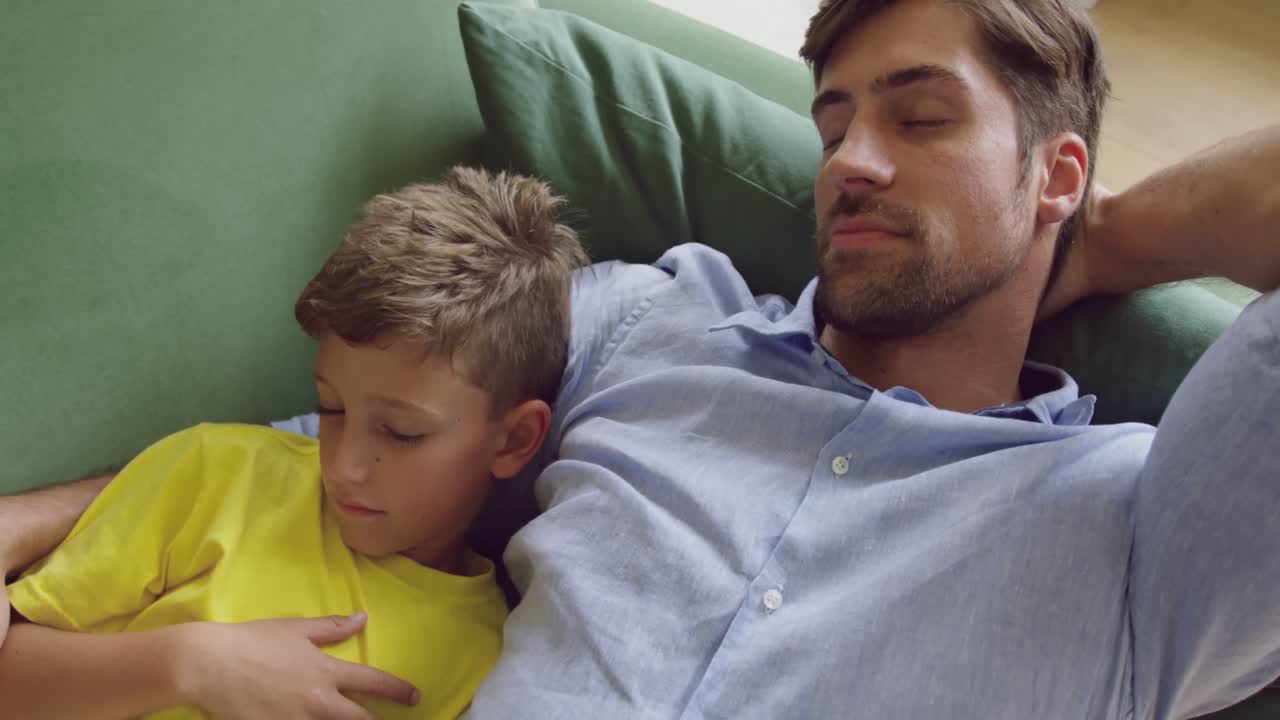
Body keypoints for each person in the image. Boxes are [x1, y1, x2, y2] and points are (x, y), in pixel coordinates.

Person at [2, 0, 1278, 718]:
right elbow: (324, 448)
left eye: (920, 116)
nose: (850, 163)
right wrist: (27, 524)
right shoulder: (657, 323)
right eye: (832, 123)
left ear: (1053, 168)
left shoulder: (1137, 523)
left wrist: (1104, 238)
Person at [0, 166, 588, 719]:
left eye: (400, 432)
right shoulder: (219, 473)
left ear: (513, 440)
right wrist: (188, 662)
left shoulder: (485, 658)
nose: (344, 464)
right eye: (330, 408)